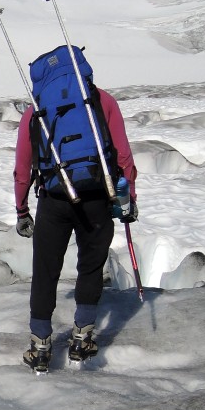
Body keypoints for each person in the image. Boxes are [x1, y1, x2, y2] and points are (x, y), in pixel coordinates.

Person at [14, 83, 138, 371]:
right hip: (95, 196)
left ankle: (40, 345)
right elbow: (123, 155)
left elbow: (23, 167)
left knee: (46, 270)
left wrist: (22, 209)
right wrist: (128, 197)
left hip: (53, 200)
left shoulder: (37, 109)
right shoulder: (101, 101)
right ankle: (82, 339)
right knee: (91, 266)